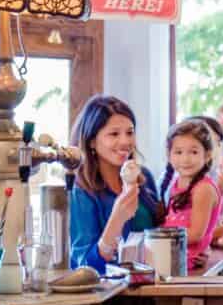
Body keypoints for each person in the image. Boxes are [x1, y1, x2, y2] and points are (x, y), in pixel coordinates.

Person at [69, 95, 161, 273]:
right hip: (110, 296)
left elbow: (159, 233)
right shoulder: (80, 192)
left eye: (130, 132)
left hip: (151, 288)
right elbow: (84, 266)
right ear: (92, 141)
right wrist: (117, 218)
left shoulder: (145, 178)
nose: (126, 141)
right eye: (114, 134)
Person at [158, 120, 223, 270]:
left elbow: (195, 234)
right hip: (173, 255)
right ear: (169, 155)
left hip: (186, 261)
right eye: (178, 152)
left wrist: (157, 237)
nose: (185, 159)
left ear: (207, 155)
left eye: (193, 152)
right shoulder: (176, 184)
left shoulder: (203, 189)